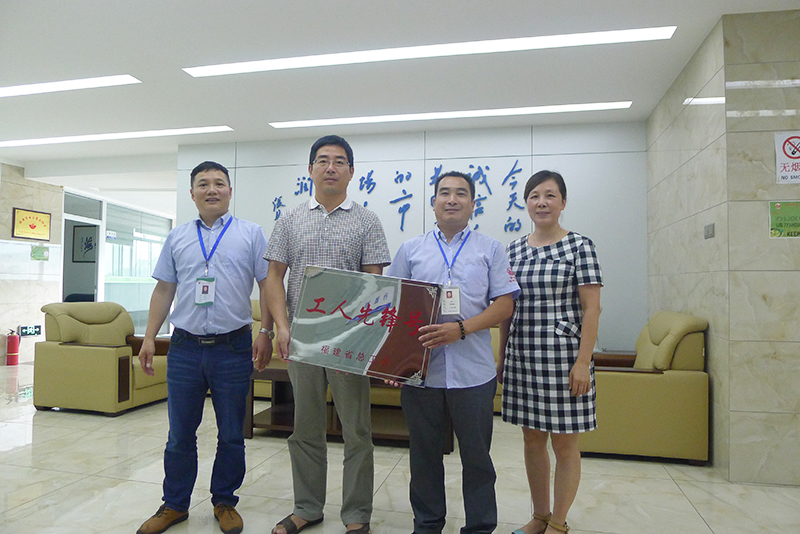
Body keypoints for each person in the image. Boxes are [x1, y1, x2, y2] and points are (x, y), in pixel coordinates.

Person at [137, 161, 274, 534]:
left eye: (218, 183)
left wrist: (267, 331)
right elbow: (164, 289)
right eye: (203, 184)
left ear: (230, 191)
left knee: (231, 432)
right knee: (180, 434)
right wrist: (149, 337)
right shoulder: (177, 237)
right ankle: (174, 504)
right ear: (192, 193)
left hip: (233, 346)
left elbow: (268, 285)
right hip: (184, 347)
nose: (211, 189)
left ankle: (224, 501)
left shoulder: (251, 234)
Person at [265, 135, 391, 534]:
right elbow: (273, 278)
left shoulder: (367, 221)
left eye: (339, 161)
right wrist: (281, 326)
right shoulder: (289, 220)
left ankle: (356, 514)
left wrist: (364, 339)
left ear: (351, 172)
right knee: (305, 427)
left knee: (357, 431)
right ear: (310, 170)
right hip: (301, 339)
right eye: (322, 160)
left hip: (348, 342)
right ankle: (307, 507)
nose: (330, 167)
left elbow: (375, 285)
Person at [386, 171, 520, 534]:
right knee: (424, 455)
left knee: (477, 457)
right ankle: (427, 524)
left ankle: (479, 527)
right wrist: (393, 364)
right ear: (433, 203)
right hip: (420, 372)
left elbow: (504, 304)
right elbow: (393, 307)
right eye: (444, 193)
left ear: (473, 204)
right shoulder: (410, 249)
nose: (452, 199)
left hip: (474, 371)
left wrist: (460, 329)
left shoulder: (490, 248)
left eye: (461, 193)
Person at [498, 170, 602, 534]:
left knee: (565, 444)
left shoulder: (579, 246)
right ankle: (539, 515)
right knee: (531, 440)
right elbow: (507, 309)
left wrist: (583, 363)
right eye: (534, 196)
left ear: (563, 202)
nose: (541, 202)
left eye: (550, 195)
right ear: (526, 203)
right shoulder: (512, 250)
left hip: (565, 360)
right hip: (524, 358)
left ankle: (558, 522)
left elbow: (592, 308)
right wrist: (502, 358)